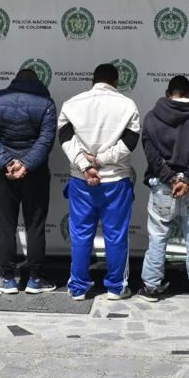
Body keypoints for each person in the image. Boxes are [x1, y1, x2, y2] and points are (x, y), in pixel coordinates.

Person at [58, 63, 140, 300]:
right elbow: (130, 141)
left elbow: (64, 138)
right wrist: (101, 161)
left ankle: (78, 288)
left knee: (81, 234)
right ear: (116, 82)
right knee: (116, 235)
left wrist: (85, 166)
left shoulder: (72, 104)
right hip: (115, 181)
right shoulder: (127, 105)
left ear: (92, 81)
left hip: (81, 181)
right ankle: (116, 288)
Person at [0, 68, 57, 294]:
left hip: (4, 173)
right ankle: (35, 279)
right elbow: (46, 139)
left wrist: (7, 163)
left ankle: (7, 278)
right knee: (35, 226)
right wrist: (26, 165)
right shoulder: (46, 103)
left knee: (6, 225)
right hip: (35, 173)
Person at [139, 75, 189, 305]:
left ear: (167, 92)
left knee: (158, 237)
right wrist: (187, 179)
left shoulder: (151, 117)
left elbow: (152, 156)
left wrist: (170, 179)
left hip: (163, 187)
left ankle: (151, 287)